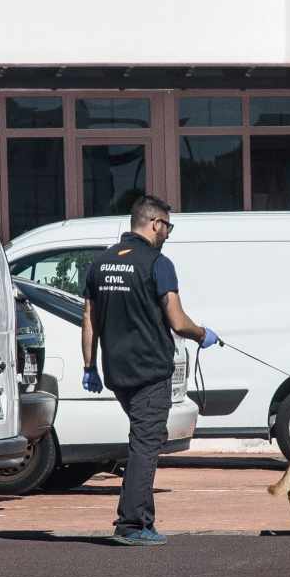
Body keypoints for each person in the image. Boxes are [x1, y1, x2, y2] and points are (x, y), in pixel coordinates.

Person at [82, 195, 218, 545]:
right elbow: (177, 319)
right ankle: (131, 525)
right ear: (155, 223)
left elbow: (89, 319)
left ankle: (140, 517)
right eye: (167, 226)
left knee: (142, 439)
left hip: (117, 372)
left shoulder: (101, 262)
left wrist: (89, 366)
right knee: (146, 444)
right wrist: (202, 334)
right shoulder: (158, 263)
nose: (168, 234)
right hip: (151, 370)